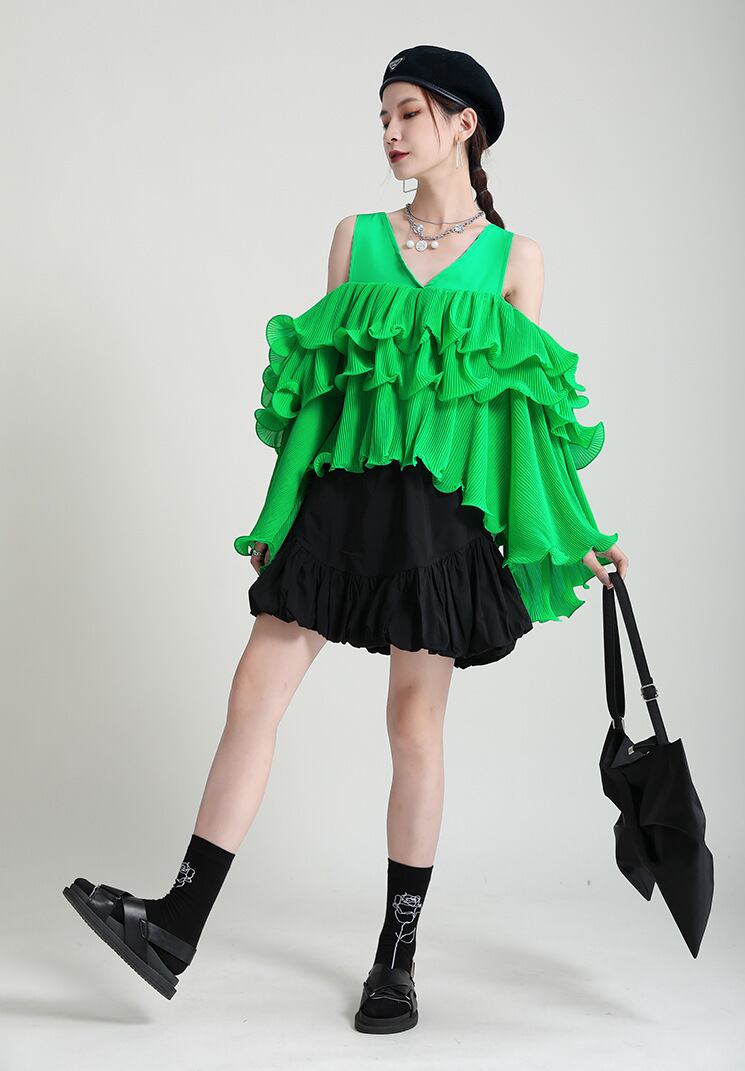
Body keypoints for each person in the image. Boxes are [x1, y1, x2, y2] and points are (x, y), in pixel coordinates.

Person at [63, 44, 629, 1035]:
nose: (391, 132)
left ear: (464, 124)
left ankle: (396, 960)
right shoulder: (355, 239)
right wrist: (278, 515)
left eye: (409, 112)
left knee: (414, 723)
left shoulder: (516, 261)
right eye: (383, 117)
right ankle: (175, 927)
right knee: (255, 689)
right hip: (339, 506)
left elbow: (525, 429)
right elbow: (319, 401)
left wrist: (579, 536)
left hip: (440, 519)